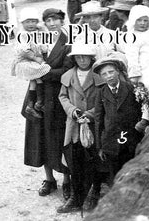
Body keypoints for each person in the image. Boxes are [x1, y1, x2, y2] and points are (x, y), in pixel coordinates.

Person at [22, 9, 72, 200]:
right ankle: (49, 179)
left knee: (60, 137)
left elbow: (67, 70)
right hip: (38, 96)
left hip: (58, 95)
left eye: (56, 20)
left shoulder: (68, 43)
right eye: (48, 20)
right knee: (40, 136)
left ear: (62, 21)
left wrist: (43, 72)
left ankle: (67, 180)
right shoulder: (37, 40)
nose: (52, 24)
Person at [57, 44, 101, 213]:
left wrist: (89, 114)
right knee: (74, 161)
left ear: (91, 58)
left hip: (93, 125)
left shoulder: (98, 77)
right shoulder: (68, 76)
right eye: (78, 57)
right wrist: (72, 110)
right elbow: (62, 96)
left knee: (94, 159)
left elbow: (103, 101)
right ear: (74, 58)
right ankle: (76, 197)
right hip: (74, 124)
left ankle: (93, 193)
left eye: (85, 56)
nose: (82, 60)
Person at [92, 55, 142, 185]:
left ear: (118, 71)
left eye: (111, 72)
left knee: (130, 175)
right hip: (111, 142)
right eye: (104, 74)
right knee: (114, 175)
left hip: (130, 141)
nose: (109, 76)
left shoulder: (130, 88)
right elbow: (98, 120)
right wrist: (100, 147)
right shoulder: (101, 93)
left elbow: (140, 112)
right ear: (101, 77)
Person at [12, 8, 51, 119]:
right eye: (27, 22)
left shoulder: (36, 33)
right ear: (22, 23)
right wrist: (36, 58)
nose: (31, 24)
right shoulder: (22, 34)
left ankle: (32, 105)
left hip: (31, 61)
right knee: (42, 72)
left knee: (35, 81)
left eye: (33, 21)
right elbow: (24, 51)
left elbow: (43, 46)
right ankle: (39, 102)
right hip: (25, 61)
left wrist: (43, 30)